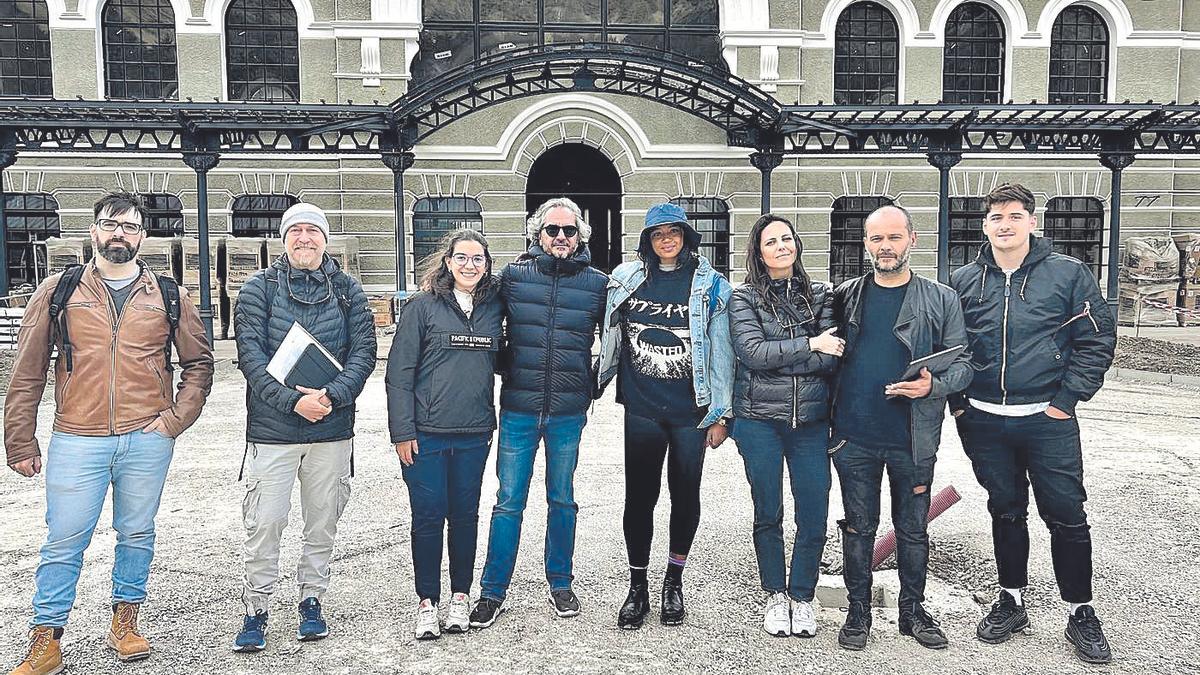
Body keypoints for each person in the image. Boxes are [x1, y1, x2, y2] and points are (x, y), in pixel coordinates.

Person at [4, 191, 213, 674]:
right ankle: (47, 637)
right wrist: (20, 437)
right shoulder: (61, 290)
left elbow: (199, 363)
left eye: (130, 226)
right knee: (64, 538)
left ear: (143, 236)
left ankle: (125, 620)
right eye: (110, 223)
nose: (119, 233)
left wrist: (173, 421)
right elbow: (28, 370)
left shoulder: (166, 293)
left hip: (147, 437)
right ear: (94, 231)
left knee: (136, 533)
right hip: (77, 436)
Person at [949, 183, 1117, 664]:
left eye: (1014, 216)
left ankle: (1080, 611)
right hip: (983, 419)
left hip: (1048, 419)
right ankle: (1011, 600)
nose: (1005, 224)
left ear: (1031, 221)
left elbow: (1096, 341)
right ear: (985, 224)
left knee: (1065, 514)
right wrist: (960, 404)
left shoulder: (1067, 275)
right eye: (996, 216)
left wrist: (1066, 401)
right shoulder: (964, 279)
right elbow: (951, 343)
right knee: (1005, 510)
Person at [231, 202, 377, 652]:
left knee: (322, 523)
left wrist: (330, 397)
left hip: (330, 431)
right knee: (266, 522)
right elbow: (251, 358)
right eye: (296, 231)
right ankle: (256, 607)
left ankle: (312, 600)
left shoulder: (350, 291)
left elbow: (364, 354)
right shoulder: (258, 288)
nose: (305, 239)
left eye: (314, 231)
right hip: (273, 431)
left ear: (326, 239)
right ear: (283, 238)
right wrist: (295, 401)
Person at [830, 204, 972, 652]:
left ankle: (913, 612)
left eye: (893, 237)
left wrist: (933, 387)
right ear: (865, 244)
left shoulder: (941, 298)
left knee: (912, 530)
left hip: (912, 438)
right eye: (876, 239)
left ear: (912, 239)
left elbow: (964, 364)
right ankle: (858, 613)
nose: (885, 247)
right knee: (859, 528)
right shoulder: (847, 295)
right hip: (854, 436)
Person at [469, 197, 608, 628]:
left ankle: (560, 582)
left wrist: (595, 383)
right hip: (519, 409)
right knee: (508, 502)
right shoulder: (512, 278)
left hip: (568, 411)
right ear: (538, 235)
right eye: (553, 230)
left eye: (569, 231)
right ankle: (492, 591)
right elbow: (475, 314)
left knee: (562, 499)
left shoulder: (597, 283)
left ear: (580, 236)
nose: (561, 237)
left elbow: (621, 335)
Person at [596, 202, 735, 630]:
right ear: (648, 241)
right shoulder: (626, 279)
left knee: (685, 496)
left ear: (687, 237)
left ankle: (673, 581)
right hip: (641, 407)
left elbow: (723, 353)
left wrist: (721, 414)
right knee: (639, 498)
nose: (667, 240)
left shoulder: (711, 286)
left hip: (689, 411)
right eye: (658, 234)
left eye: (674, 232)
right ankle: (637, 586)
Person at [728, 214, 843, 638]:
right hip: (759, 420)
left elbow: (833, 358)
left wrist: (796, 356)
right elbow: (752, 352)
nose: (781, 246)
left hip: (810, 422)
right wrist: (811, 343)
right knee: (768, 510)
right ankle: (775, 594)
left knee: (814, 510)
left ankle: (802, 595)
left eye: (787, 238)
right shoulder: (743, 299)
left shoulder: (821, 295)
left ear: (797, 244)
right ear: (758, 252)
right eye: (771, 241)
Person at [385, 229, 503, 640]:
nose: (470, 265)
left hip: (474, 432)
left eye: (478, 259)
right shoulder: (422, 309)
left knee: (466, 516)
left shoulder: (493, 309)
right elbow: (398, 375)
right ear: (448, 262)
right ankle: (426, 601)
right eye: (462, 258)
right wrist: (402, 430)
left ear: (487, 266)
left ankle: (459, 596)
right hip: (426, 435)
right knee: (428, 516)